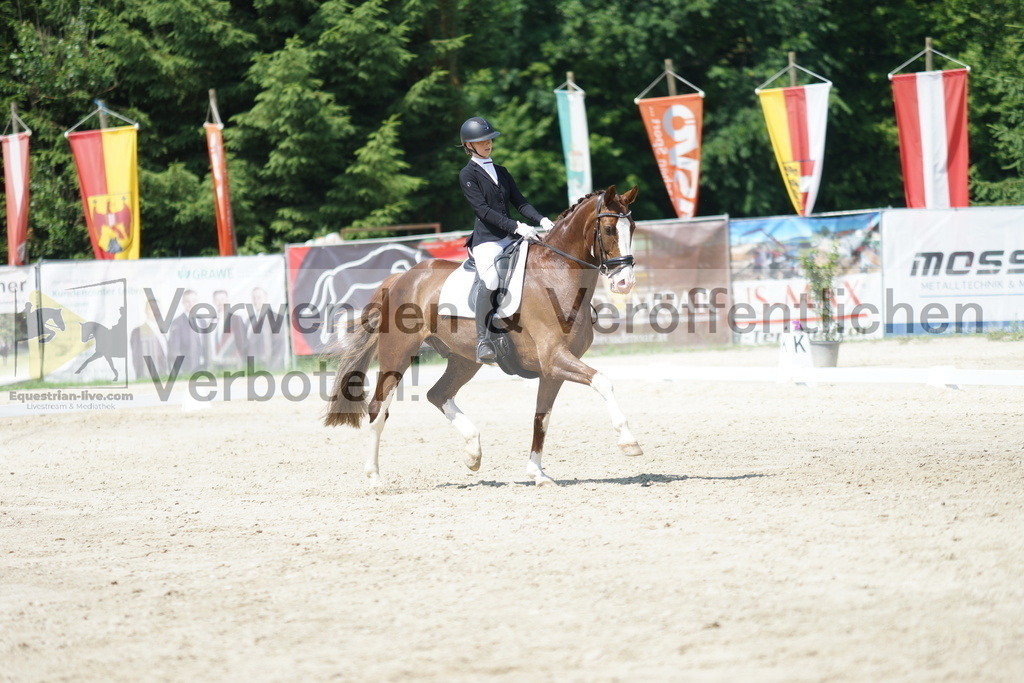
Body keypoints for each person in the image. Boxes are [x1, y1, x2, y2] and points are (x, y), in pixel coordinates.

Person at [458, 116, 553, 363]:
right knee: (490, 277)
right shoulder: (467, 174)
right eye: (481, 141)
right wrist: (518, 226)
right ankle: (483, 339)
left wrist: (542, 220)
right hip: (487, 240)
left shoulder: (501, 171)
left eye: (489, 139)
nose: (488, 143)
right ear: (469, 145)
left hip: (512, 236)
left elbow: (520, 202)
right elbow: (483, 211)